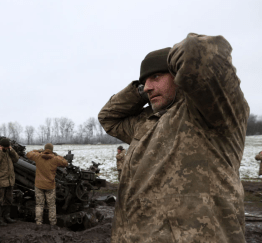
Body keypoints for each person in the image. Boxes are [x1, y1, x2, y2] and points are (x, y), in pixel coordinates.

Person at [98, 33, 249, 242]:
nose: (148, 87)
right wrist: (140, 90)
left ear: (179, 75)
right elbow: (108, 118)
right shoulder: (146, 123)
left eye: (156, 77)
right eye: (145, 83)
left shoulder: (208, 114)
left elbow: (201, 52)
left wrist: (176, 66)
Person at [26, 143, 68, 231]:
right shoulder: (55, 159)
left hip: (39, 185)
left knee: (39, 205)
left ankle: (39, 224)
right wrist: (56, 155)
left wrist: (39, 151)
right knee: (51, 206)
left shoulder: (38, 156)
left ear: (44, 149)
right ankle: (53, 225)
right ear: (52, 150)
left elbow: (28, 154)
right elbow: (65, 162)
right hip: (50, 186)